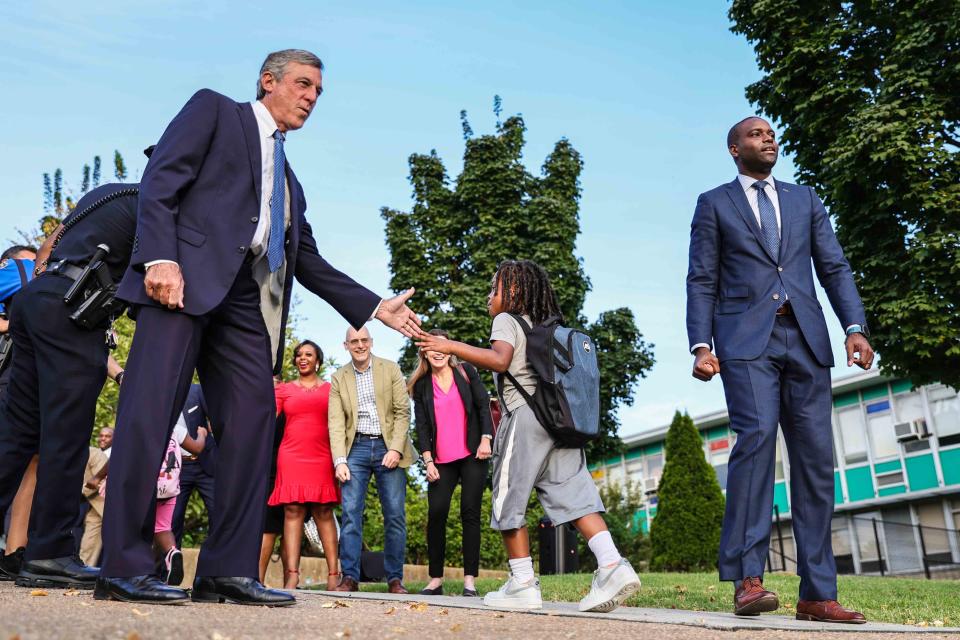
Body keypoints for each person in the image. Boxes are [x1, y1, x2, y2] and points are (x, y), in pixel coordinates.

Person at [97, 49, 422, 606]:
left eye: (318, 92)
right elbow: (160, 181)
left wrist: (372, 307)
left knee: (251, 427)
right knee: (149, 420)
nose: (311, 98)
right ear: (268, 81)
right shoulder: (215, 112)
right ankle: (122, 568)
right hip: (179, 283)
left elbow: (309, 261)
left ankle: (226, 570)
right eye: (302, 84)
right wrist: (158, 258)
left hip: (242, 302)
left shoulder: (289, 181)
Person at [685, 117, 873, 624]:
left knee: (816, 461)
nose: (767, 139)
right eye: (755, 134)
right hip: (747, 343)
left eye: (770, 134)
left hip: (807, 339)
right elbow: (702, 278)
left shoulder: (804, 198)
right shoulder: (714, 203)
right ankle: (749, 581)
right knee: (757, 441)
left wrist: (854, 326)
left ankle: (817, 594)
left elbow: (833, 266)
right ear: (733, 148)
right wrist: (700, 344)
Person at [415, 260, 641, 613]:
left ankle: (522, 582)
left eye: (495, 289)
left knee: (507, 498)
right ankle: (612, 564)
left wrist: (452, 346)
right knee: (576, 496)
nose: (489, 297)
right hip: (557, 422)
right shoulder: (543, 324)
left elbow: (501, 360)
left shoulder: (505, 320)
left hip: (525, 418)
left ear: (515, 292)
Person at [0, 184, 135, 590]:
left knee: (17, 433)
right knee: (67, 436)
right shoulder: (158, 204)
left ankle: (41, 551)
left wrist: (46, 278)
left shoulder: (108, 193)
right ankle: (50, 554)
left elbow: (52, 239)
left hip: (39, 298)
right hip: (75, 310)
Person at [329, 327, 415, 594]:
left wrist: (396, 449)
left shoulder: (390, 369)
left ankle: (394, 579)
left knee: (395, 515)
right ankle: (350, 577)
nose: (360, 345)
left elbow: (403, 412)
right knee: (351, 516)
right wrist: (339, 460)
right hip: (355, 449)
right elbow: (335, 422)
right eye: (354, 341)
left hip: (388, 445)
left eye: (364, 340)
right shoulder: (338, 377)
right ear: (346, 346)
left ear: (371, 342)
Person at [408, 329, 492, 597]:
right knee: (436, 515)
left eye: (443, 346)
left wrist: (486, 439)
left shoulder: (466, 372)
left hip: (472, 454)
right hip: (441, 461)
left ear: (451, 349)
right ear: (425, 351)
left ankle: (469, 581)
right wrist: (427, 460)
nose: (438, 351)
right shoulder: (421, 385)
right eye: (433, 346)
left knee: (470, 513)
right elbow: (421, 426)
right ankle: (435, 580)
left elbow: (483, 405)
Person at [269, 340, 340, 590]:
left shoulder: (333, 390)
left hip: (322, 456)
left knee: (323, 511)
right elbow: (267, 420)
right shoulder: (284, 390)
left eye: (308, 354)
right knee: (292, 511)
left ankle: (334, 575)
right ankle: (292, 575)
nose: (303, 358)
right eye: (299, 355)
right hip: (291, 456)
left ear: (317, 360)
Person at [153, 416, 207, 586]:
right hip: (169, 486)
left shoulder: (141, 421)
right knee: (163, 527)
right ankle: (172, 553)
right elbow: (197, 448)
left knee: (137, 528)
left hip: (147, 485)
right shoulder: (174, 426)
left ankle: (141, 572)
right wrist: (202, 434)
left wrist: (99, 477)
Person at [170, 384, 216, 549]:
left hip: (206, 465)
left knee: (218, 516)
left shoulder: (196, 391)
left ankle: (213, 571)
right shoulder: (158, 394)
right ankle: (167, 571)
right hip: (176, 468)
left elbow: (216, 420)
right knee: (172, 521)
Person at [79, 446, 109, 566]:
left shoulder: (94, 454)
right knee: (90, 541)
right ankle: (85, 567)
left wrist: (81, 489)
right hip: (94, 504)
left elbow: (102, 481)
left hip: (107, 503)